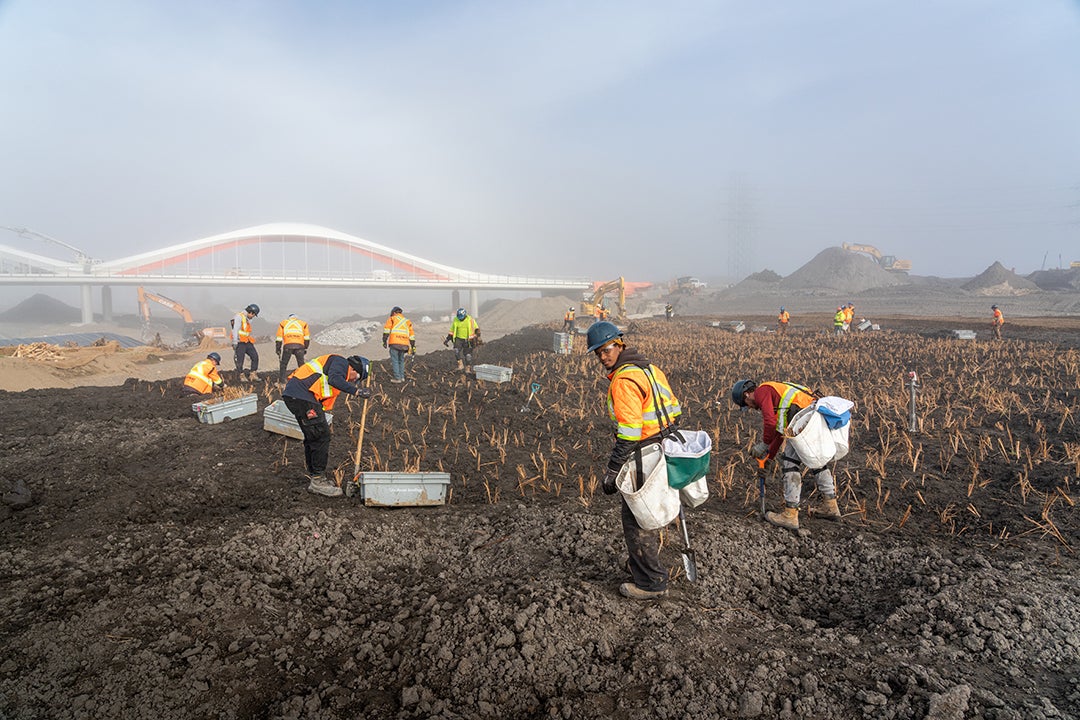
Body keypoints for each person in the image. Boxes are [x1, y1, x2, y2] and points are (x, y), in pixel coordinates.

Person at [589, 320, 683, 600]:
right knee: (643, 515)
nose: (603, 357)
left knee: (635, 519)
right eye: (598, 353)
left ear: (620, 344)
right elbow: (674, 410)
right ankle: (641, 568)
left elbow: (629, 433)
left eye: (606, 350)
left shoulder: (624, 380)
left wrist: (612, 470)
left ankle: (651, 583)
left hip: (644, 452)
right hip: (664, 446)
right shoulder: (650, 369)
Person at [730, 379, 840, 530]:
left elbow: (769, 423)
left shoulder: (762, 391)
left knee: (789, 462)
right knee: (816, 460)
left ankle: (790, 515)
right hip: (811, 416)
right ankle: (830, 505)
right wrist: (769, 457)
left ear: (747, 394)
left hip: (803, 417)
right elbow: (780, 432)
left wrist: (764, 444)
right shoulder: (776, 394)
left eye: (746, 404)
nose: (750, 407)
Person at [282, 354, 373, 497]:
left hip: (298, 396)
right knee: (321, 436)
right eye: (357, 378)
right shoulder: (340, 362)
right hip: (301, 395)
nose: (353, 381)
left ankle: (316, 478)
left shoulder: (336, 366)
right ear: (355, 369)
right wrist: (357, 391)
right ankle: (318, 481)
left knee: (313, 436)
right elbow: (334, 379)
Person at [382, 306, 415, 383]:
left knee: (395, 361)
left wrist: (384, 341)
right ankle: (402, 377)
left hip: (395, 343)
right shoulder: (407, 321)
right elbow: (412, 335)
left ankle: (397, 378)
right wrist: (413, 346)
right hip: (404, 345)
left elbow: (386, 331)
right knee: (401, 360)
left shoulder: (392, 319)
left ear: (393, 313)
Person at [275, 313, 310, 383]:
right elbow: (307, 338)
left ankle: (282, 382)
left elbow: (279, 338)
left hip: (288, 346)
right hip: (300, 346)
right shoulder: (303, 324)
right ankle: (304, 381)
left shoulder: (283, 324)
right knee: (301, 365)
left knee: (284, 364)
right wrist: (305, 348)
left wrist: (278, 349)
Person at [444, 307, 480, 371]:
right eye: (459, 317)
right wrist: (447, 339)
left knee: (468, 355)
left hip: (468, 340)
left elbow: (477, 329)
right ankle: (460, 365)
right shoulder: (456, 320)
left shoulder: (470, 320)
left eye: (461, 317)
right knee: (456, 351)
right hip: (458, 339)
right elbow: (452, 331)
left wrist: (478, 338)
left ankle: (468, 368)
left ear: (465, 315)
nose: (460, 319)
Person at [231, 303, 260, 380]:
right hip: (240, 342)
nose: (253, 317)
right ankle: (241, 375)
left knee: (255, 356)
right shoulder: (238, 317)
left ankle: (253, 374)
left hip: (247, 341)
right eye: (253, 315)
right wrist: (234, 342)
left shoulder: (246, 318)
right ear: (251, 312)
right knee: (240, 359)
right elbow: (235, 330)